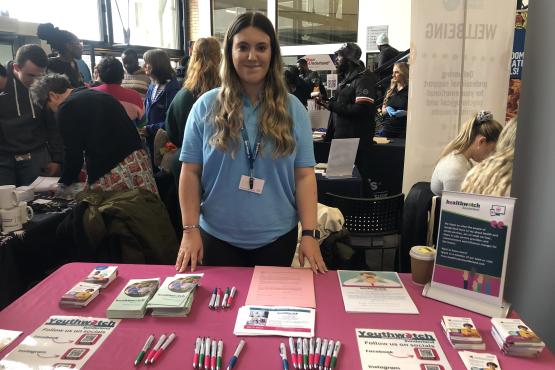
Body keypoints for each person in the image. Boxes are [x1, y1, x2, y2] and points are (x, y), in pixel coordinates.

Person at [175, 12, 327, 274]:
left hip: (277, 239)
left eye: (261, 47)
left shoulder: (294, 110)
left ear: (272, 53)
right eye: (242, 47)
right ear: (230, 51)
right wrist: (190, 230)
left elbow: (304, 176)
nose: (252, 56)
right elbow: (190, 172)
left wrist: (310, 235)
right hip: (217, 237)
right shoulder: (205, 106)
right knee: (221, 311)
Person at [29, 73, 157, 194]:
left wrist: (63, 184)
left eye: (48, 108)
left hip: (114, 171)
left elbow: (73, 154)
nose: (52, 112)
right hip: (137, 162)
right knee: (144, 210)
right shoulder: (96, 94)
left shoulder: (66, 107)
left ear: (52, 96)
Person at [317, 42, 377, 192]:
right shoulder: (346, 80)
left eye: (339, 56)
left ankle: (362, 214)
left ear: (349, 60)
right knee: (339, 183)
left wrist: (331, 106)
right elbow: (340, 108)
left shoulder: (363, 79)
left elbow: (361, 109)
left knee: (355, 184)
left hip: (354, 142)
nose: (336, 59)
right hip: (342, 139)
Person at [0, 45, 63, 186]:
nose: (36, 81)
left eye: (40, 75)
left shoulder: (46, 84)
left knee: (41, 202)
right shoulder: (2, 81)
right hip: (4, 158)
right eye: (31, 75)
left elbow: (52, 123)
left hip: (37, 154)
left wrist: (57, 158)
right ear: (16, 67)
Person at [165, 37, 221, 183]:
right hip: (221, 165)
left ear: (193, 56)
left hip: (185, 166)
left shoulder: (183, 95)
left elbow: (171, 131)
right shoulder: (229, 93)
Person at [430, 111, 503, 196]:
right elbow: (456, 208)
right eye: (493, 150)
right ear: (481, 141)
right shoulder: (455, 168)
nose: (493, 156)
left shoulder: (461, 160)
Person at [461, 118, 517, 197]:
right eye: (493, 150)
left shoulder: (474, 173)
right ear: (482, 141)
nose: (493, 154)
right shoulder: (517, 181)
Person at [143, 49, 180, 168]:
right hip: (151, 138)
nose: (144, 66)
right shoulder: (152, 85)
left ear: (156, 65)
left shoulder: (173, 89)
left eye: (147, 62)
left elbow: (172, 122)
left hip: (166, 142)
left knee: (163, 172)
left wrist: (150, 129)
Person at [92, 56, 144, 123]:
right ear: (122, 75)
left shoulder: (89, 94)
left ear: (100, 76)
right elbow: (142, 123)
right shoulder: (135, 96)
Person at [37, 23, 84, 87]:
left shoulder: (73, 63)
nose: (81, 47)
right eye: (78, 43)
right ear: (69, 46)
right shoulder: (51, 65)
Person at [378, 62, 409, 138]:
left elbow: (416, 112)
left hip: (403, 131)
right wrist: (388, 109)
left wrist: (406, 113)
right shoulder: (390, 89)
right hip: (387, 129)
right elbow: (383, 110)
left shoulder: (410, 90)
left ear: (404, 73)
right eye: (393, 72)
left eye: (396, 72)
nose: (393, 75)